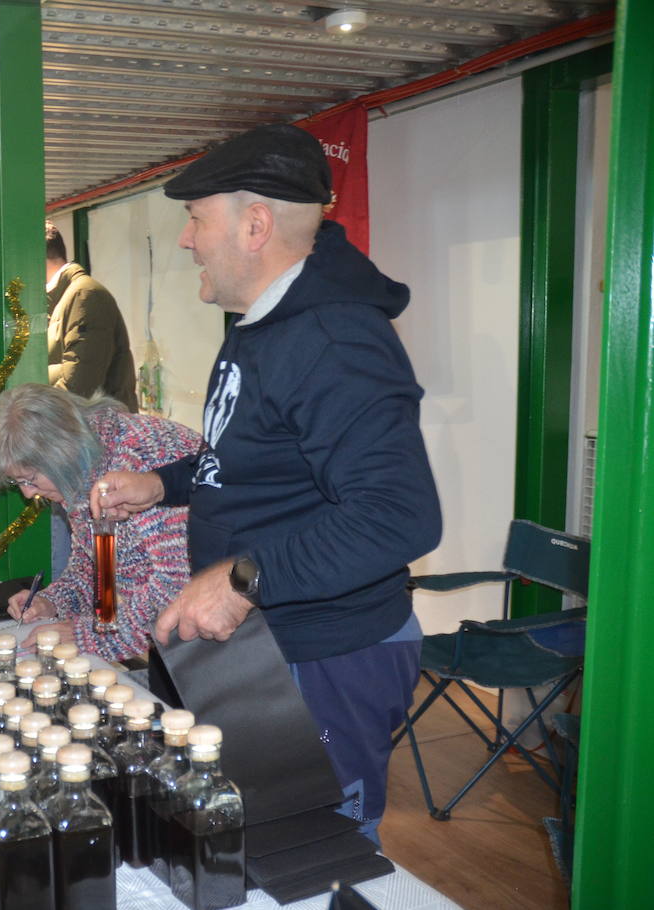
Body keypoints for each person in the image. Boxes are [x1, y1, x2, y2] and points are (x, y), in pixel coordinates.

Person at [93, 123, 443, 841]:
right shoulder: (260, 327)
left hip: (330, 655)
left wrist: (238, 580)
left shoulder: (334, 338)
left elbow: (399, 517)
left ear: (255, 225)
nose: (187, 239)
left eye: (196, 217)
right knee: (255, 843)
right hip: (273, 650)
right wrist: (163, 484)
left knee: (315, 857)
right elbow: (250, 458)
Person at [0, 384, 201, 661]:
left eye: (31, 479)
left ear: (59, 454)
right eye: (18, 483)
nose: (28, 493)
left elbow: (175, 589)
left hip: (221, 638)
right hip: (171, 638)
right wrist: (53, 601)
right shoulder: (80, 468)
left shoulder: (140, 460)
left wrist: (89, 635)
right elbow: (96, 564)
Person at [45, 221, 138, 410]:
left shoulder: (84, 296)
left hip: (99, 432)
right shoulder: (64, 298)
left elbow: (78, 385)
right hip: (84, 430)